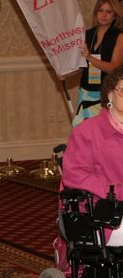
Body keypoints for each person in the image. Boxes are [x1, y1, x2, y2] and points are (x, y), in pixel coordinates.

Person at [63, 64, 123, 246]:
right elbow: (75, 175)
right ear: (110, 94)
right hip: (105, 212)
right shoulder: (88, 131)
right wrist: (115, 191)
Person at [72, 0, 123, 127]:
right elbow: (80, 66)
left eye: (108, 12)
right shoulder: (87, 34)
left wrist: (89, 57)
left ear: (115, 15)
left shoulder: (119, 36)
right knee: (81, 128)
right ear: (96, 13)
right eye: (101, 11)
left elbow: (114, 68)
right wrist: (64, 73)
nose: (104, 15)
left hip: (107, 92)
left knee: (104, 132)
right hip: (86, 91)